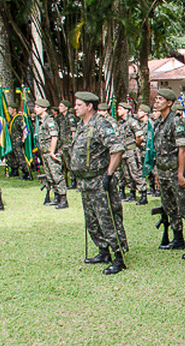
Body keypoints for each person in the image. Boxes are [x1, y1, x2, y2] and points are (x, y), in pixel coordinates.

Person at [69, 92, 128, 274]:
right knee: (92, 220)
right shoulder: (81, 126)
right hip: (85, 181)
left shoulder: (100, 124)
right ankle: (103, 251)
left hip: (99, 179)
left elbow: (117, 149)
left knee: (108, 219)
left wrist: (109, 175)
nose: (75, 107)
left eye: (79, 104)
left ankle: (119, 257)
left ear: (89, 106)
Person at [152, 88, 185, 259]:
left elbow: (182, 149)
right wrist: (157, 172)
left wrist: (181, 174)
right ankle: (178, 239)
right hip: (164, 172)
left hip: (175, 172)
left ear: (170, 103)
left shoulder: (176, 122)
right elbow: (158, 150)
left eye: (161, 99)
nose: (157, 101)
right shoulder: (159, 123)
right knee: (170, 208)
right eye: (156, 98)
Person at [35, 98, 68, 209]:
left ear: (44, 108)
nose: (35, 109)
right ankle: (57, 197)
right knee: (50, 177)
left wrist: (52, 152)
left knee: (57, 176)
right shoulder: (42, 122)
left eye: (38, 107)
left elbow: (54, 136)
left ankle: (63, 199)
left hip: (51, 152)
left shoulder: (49, 121)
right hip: (45, 153)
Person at [116, 103, 148, 205]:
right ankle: (132, 194)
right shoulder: (121, 123)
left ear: (126, 110)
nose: (118, 111)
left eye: (120, 109)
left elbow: (140, 136)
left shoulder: (132, 122)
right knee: (127, 174)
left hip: (132, 152)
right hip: (124, 152)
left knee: (136, 173)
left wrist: (135, 146)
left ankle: (143, 194)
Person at [6, 102, 32, 180]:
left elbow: (25, 129)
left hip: (18, 140)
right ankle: (15, 170)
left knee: (21, 157)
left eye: (10, 109)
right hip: (13, 141)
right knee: (14, 156)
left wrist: (23, 140)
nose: (8, 111)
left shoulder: (19, 118)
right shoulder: (12, 119)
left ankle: (26, 173)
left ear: (14, 109)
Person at [56, 100, 77, 189]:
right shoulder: (60, 118)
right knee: (68, 164)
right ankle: (72, 181)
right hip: (63, 144)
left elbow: (73, 131)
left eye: (61, 106)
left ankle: (77, 181)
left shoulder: (70, 117)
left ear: (66, 107)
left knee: (73, 163)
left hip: (69, 144)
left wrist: (73, 144)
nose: (59, 108)